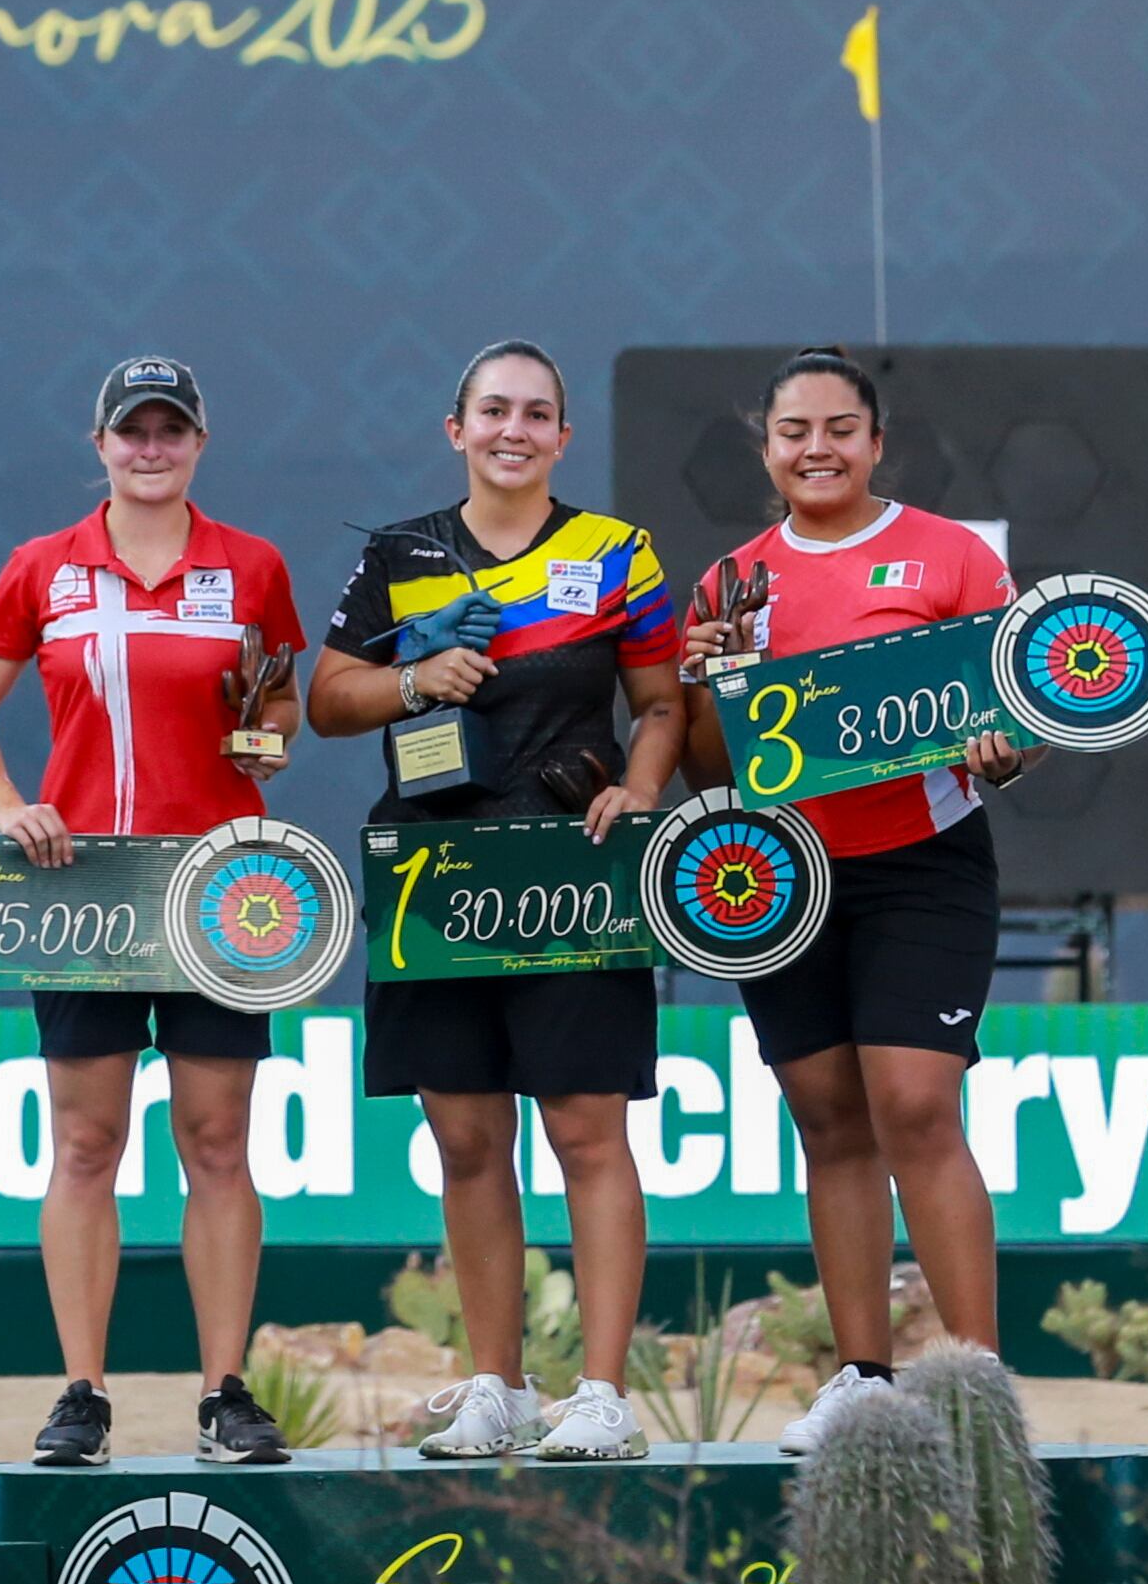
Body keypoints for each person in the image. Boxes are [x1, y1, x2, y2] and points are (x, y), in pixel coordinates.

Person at [307, 341, 685, 1461]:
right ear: (456, 428)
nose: (512, 430)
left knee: (585, 1128)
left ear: (563, 436)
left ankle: (602, 1395)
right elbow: (326, 700)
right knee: (466, 1135)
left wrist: (640, 788)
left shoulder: (617, 552)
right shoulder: (397, 554)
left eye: (534, 413)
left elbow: (661, 703)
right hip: (435, 876)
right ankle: (497, 1387)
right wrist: (415, 679)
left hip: (575, 871)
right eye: (492, 411)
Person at [0, 356, 308, 1468]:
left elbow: (280, 698)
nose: (151, 449)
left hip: (219, 885)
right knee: (86, 1142)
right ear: (98, 444)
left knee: (218, 1141)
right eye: (132, 432)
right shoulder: (42, 567)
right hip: (82, 886)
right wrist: (8, 806)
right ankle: (82, 1395)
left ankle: (225, 1393)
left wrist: (268, 739)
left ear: (200, 442)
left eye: (170, 430)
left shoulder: (250, 564)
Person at [680, 347, 1044, 1455]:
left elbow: (1023, 713)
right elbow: (705, 767)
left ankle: (976, 1384)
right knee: (829, 1120)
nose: (817, 449)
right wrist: (713, 680)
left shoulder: (952, 555)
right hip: (783, 876)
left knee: (915, 1106)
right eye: (794, 431)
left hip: (922, 864)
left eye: (840, 428)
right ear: (766, 449)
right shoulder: (729, 583)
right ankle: (861, 1378)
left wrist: (1008, 748)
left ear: (876, 443)